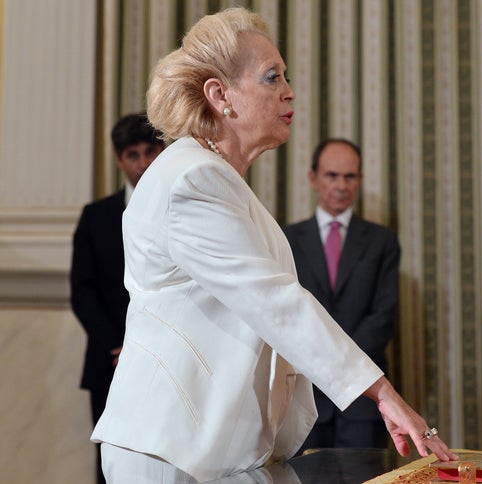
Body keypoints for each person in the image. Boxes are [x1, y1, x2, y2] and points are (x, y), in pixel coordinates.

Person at [90, 7, 456, 482]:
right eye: (271, 77)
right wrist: (383, 392)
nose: (289, 90)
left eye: (285, 75)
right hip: (169, 445)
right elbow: (275, 301)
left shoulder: (217, 177)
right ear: (220, 95)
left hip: (211, 445)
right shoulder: (191, 178)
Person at [284, 138, 400, 452]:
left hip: (364, 400)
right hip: (305, 395)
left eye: (350, 177)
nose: (341, 185)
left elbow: (383, 316)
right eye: (331, 175)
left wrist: (341, 366)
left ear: (360, 180)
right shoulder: (287, 239)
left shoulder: (382, 241)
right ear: (313, 178)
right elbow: (284, 315)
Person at [70, 112, 164, 483]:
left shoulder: (181, 206)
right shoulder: (95, 217)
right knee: (112, 465)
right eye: (133, 155)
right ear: (119, 159)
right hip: (110, 362)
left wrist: (146, 345)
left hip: (165, 359)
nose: (143, 164)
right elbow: (82, 289)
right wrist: (118, 345)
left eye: (150, 151)